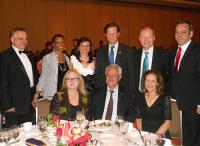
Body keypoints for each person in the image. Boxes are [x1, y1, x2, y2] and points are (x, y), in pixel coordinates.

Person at [169, 20, 200, 146]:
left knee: (194, 137)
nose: (179, 35)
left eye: (183, 32)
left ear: (191, 34)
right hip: (176, 103)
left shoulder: (198, 51)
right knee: (182, 138)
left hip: (193, 104)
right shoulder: (173, 51)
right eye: (177, 32)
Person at [0, 27, 38, 127]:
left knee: (28, 134)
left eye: (26, 39)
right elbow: (2, 83)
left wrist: (35, 97)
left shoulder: (29, 55)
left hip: (29, 104)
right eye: (20, 39)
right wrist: (8, 106)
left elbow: (33, 78)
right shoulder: (4, 56)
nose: (24, 41)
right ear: (12, 40)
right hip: (14, 106)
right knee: (14, 135)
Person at [95, 22, 135, 93]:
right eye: (109, 34)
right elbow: (97, 73)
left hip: (123, 90)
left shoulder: (127, 50)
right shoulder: (100, 51)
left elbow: (131, 73)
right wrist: (99, 90)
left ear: (118, 34)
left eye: (114, 33)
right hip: (104, 89)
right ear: (106, 35)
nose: (111, 36)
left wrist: (130, 91)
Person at [134, 26, 170, 96]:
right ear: (139, 38)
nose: (146, 40)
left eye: (149, 37)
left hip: (157, 96)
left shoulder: (164, 55)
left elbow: (168, 78)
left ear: (154, 38)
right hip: (137, 96)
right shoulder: (133, 55)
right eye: (143, 37)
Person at [33, 34, 70, 100]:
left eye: (62, 42)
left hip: (66, 93)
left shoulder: (67, 58)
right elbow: (43, 76)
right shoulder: (47, 58)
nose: (61, 44)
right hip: (52, 94)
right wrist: (36, 95)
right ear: (53, 44)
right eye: (57, 42)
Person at [136, 70, 172, 138]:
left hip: (160, 134)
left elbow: (167, 122)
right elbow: (138, 119)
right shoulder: (140, 97)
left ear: (158, 83)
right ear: (144, 82)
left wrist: (154, 137)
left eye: (153, 81)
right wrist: (141, 134)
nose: (149, 84)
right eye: (147, 80)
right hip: (144, 134)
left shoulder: (165, 98)